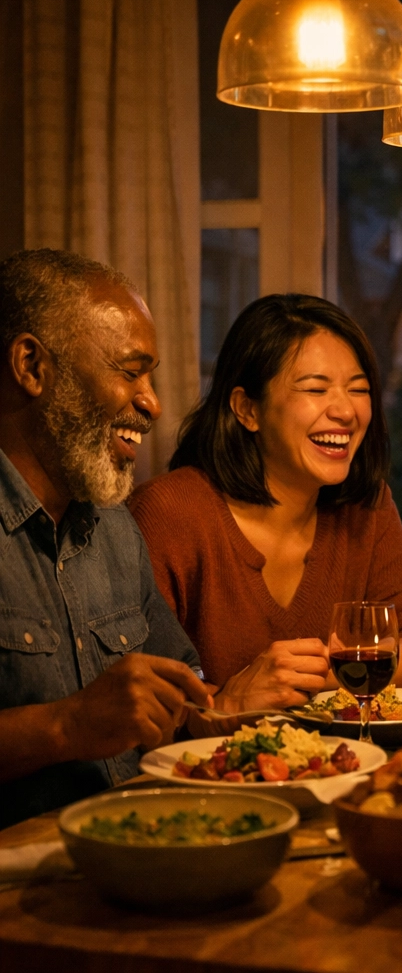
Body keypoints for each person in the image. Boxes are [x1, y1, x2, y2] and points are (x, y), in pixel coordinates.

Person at [129, 294, 402, 717]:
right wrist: (230, 699)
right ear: (247, 409)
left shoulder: (366, 507)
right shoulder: (170, 512)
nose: (345, 411)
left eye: (359, 389)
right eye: (316, 389)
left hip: (341, 767)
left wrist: (319, 672)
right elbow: (138, 697)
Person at [0, 248, 211, 829]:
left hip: (137, 847)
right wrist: (67, 726)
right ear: (31, 366)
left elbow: (183, 681)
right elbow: (86, 720)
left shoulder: (114, 525)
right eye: (129, 371)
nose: (153, 402)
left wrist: (225, 700)